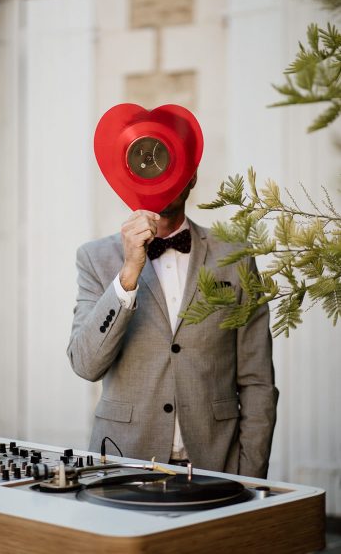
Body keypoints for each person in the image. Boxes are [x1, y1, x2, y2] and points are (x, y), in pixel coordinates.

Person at [67, 174, 279, 478]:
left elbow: (257, 381)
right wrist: (128, 274)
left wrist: (249, 474)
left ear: (192, 177)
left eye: (172, 166)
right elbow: (86, 364)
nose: (162, 178)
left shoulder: (235, 258)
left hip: (218, 468)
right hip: (122, 465)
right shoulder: (94, 257)